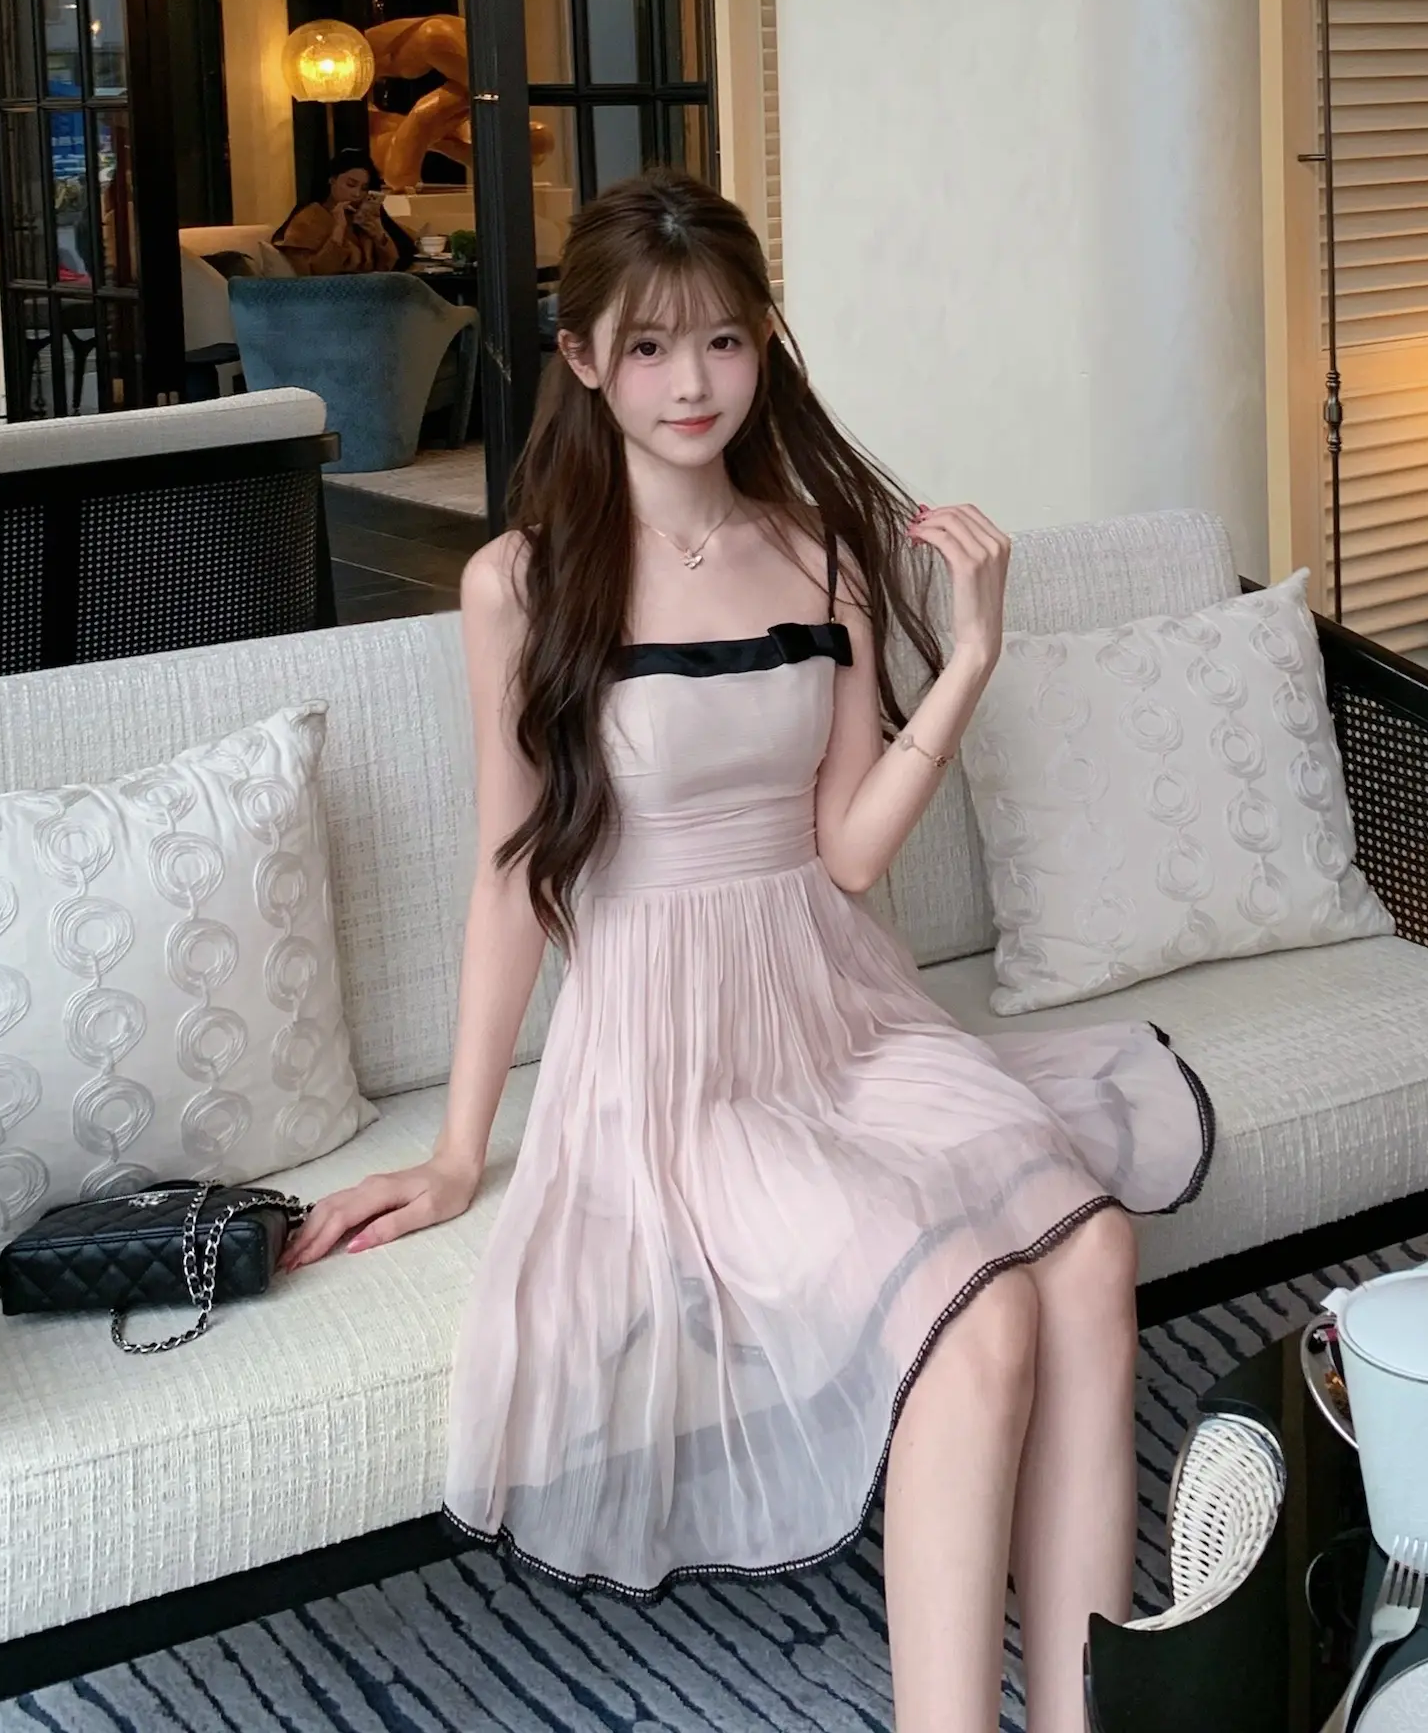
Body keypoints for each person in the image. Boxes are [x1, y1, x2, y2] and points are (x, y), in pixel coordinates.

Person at [286, 172, 1212, 1733]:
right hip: (672, 1062)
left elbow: (846, 855)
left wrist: (973, 656)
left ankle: (1084, 1716)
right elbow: (513, 878)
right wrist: (456, 1150)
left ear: (765, 342)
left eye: (723, 340)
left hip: (841, 1014)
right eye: (651, 348)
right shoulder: (521, 584)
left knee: (1095, 1248)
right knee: (981, 1314)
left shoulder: (822, 550)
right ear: (583, 358)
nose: (692, 383)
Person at [272, 147, 414, 275]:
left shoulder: (358, 219)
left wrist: (379, 235)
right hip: (331, 291)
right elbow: (317, 274)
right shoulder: (309, 218)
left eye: (364, 188)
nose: (357, 194)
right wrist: (338, 229)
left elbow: (388, 267)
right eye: (351, 185)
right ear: (332, 180)